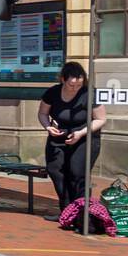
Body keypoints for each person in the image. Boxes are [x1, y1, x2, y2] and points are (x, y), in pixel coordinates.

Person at [38, 61, 106, 221]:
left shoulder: (89, 94)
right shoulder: (52, 93)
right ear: (63, 79)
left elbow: (101, 119)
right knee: (55, 171)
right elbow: (42, 114)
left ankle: (83, 216)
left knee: (76, 173)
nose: (75, 88)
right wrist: (48, 127)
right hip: (58, 137)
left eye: (78, 85)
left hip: (84, 137)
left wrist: (81, 133)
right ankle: (67, 211)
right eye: (71, 85)